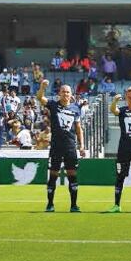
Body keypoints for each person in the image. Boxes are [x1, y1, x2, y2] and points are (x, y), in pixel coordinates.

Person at [38, 79, 85, 213]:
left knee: (72, 176)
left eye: (68, 92)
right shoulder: (53, 105)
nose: (65, 94)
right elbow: (40, 98)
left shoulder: (76, 108)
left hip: (70, 146)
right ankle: (50, 204)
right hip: (56, 146)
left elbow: (78, 128)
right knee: (53, 175)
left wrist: (82, 146)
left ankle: (74, 205)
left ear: (71, 94)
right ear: (59, 93)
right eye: (63, 92)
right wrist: (42, 87)